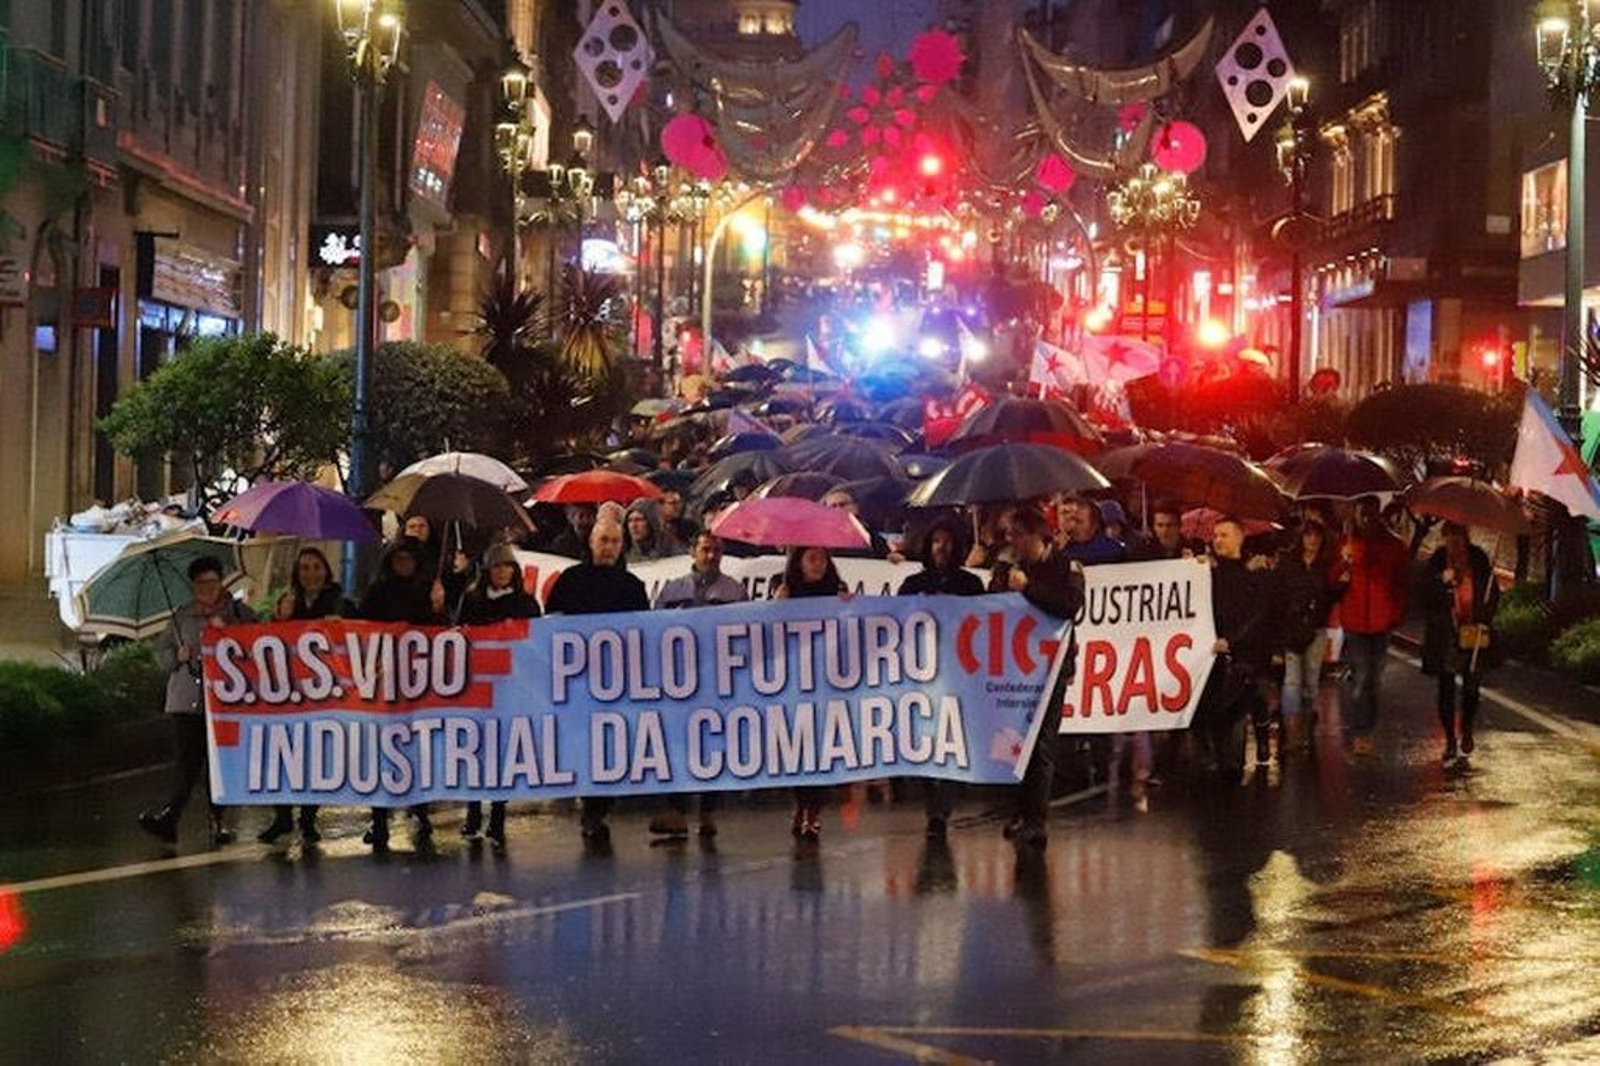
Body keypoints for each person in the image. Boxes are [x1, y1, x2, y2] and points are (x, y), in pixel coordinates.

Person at [137, 556, 257, 847]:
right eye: (201, 584)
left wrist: (227, 632)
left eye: (212, 582)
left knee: (219, 764)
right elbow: (160, 654)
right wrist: (175, 657)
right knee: (187, 762)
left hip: (224, 702)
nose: (207, 588)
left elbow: (257, 644)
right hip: (186, 700)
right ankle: (170, 818)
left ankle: (218, 822)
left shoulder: (237, 613)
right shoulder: (182, 616)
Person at [545, 519, 650, 842]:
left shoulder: (632, 585)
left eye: (615, 541)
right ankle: (591, 806)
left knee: (611, 745)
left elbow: (645, 630)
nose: (608, 547)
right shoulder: (571, 580)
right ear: (591, 543)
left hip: (617, 681)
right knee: (585, 746)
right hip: (578, 681)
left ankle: (599, 807)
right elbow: (550, 625)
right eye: (603, 540)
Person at [990, 506, 1085, 848]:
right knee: (1014, 742)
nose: (1010, 541)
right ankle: (1018, 812)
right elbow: (991, 607)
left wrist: (1028, 588)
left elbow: (1069, 606)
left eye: (1015, 534)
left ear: (1034, 535)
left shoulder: (1065, 567)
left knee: (1041, 744)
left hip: (1050, 668)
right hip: (1015, 668)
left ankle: (1036, 821)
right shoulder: (1009, 567)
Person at [649, 532, 747, 838]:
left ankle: (707, 811)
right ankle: (676, 809)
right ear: (693, 552)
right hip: (681, 682)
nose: (711, 556)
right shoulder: (672, 589)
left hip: (718, 682)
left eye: (717, 550)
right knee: (678, 745)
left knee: (713, 746)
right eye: (705, 549)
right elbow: (652, 630)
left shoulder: (735, 590)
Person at [897, 518, 984, 837]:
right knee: (925, 744)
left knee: (951, 741)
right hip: (921, 677)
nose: (942, 548)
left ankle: (941, 810)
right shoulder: (912, 585)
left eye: (948, 542)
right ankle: (932, 804)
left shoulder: (971, 585)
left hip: (958, 677)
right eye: (936, 541)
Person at [357, 538, 445, 850]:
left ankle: (421, 811)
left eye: (409, 559)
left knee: (418, 751)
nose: (404, 565)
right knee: (383, 751)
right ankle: (379, 820)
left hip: (419, 686)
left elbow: (442, 637)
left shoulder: (427, 590)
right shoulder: (378, 591)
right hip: (384, 685)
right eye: (399, 559)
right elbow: (361, 628)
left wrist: (437, 608)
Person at [258, 547, 350, 845]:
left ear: (326, 571)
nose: (311, 574)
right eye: (304, 569)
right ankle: (282, 817)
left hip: (325, 696)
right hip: (291, 695)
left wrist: (341, 625)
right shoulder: (289, 603)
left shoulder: (340, 601)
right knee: (284, 756)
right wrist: (280, 620)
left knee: (314, 759)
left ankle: (308, 819)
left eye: (316, 568)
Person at [458, 543, 542, 847]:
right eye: (497, 566)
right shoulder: (471, 600)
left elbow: (537, 643)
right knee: (474, 750)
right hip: (477, 686)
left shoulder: (525, 604)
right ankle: (471, 811)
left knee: (501, 753)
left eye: (508, 566)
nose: (503, 572)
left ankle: (497, 815)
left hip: (510, 687)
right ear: (487, 571)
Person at [773, 544, 852, 841]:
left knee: (820, 751)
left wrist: (849, 607)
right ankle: (801, 804)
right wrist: (777, 608)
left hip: (828, 685)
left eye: (823, 557)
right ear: (800, 562)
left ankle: (813, 811)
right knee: (798, 750)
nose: (818, 563)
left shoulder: (838, 591)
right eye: (811, 557)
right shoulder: (786, 591)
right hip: (794, 685)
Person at [1196, 517, 1278, 779]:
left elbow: (1260, 614)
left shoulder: (1255, 571)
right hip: (1215, 654)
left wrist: (1233, 640)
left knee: (1238, 706)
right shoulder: (1210, 571)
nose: (1218, 540)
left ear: (1240, 538)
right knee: (1214, 706)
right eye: (1216, 535)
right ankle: (1219, 759)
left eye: (1225, 535)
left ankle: (1233, 762)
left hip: (1245, 654)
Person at [1420, 522, 1499, 765]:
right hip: (1446, 633)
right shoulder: (1438, 561)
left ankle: (1467, 728)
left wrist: (1485, 616)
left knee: (1472, 687)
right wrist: (1441, 582)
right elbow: (1424, 594)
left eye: (1458, 536)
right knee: (1446, 686)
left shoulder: (1478, 558)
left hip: (1473, 631)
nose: (1454, 541)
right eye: (1449, 537)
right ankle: (1450, 739)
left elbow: (1491, 591)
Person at [1337, 497, 1408, 754]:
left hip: (1381, 622)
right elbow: (1333, 581)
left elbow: (1401, 583)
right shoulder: (1346, 544)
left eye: (1370, 511)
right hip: (1355, 621)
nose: (1366, 517)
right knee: (1362, 677)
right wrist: (1342, 565)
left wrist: (1395, 613)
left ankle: (1367, 723)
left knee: (1374, 680)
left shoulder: (1393, 545)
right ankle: (1360, 732)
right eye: (1362, 511)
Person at [1277, 519, 1344, 754]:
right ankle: (1292, 734)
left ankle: (1306, 728)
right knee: (1292, 682)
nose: (1312, 540)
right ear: (1301, 538)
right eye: (1308, 535)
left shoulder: (1326, 566)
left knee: (1310, 682)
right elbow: (1279, 595)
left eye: (1316, 536)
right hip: (1292, 628)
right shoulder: (1288, 563)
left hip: (1316, 629)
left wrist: (1341, 583)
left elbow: (1333, 595)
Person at [1058, 498, 1126, 566]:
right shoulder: (1062, 549)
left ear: (1094, 525)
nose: (1073, 525)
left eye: (1078, 522)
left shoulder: (1114, 551)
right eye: (1071, 520)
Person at [657, 489, 699, 554]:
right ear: (661, 506)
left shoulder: (690, 526)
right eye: (673, 503)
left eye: (679, 502)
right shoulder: (654, 527)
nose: (678, 507)